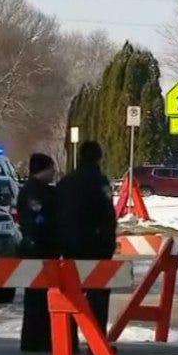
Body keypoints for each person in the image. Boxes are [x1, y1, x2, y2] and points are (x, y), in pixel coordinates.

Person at [56, 141, 118, 344]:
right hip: (96, 245)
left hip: (70, 244)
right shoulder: (99, 182)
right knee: (97, 297)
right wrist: (109, 242)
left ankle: (68, 339)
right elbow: (108, 215)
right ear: (98, 157)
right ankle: (96, 341)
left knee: (71, 294)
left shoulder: (66, 182)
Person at [16, 153, 59, 352]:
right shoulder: (34, 193)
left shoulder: (36, 190)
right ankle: (35, 340)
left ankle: (37, 338)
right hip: (38, 249)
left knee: (39, 298)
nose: (54, 173)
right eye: (51, 169)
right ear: (43, 169)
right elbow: (39, 220)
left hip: (38, 248)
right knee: (36, 299)